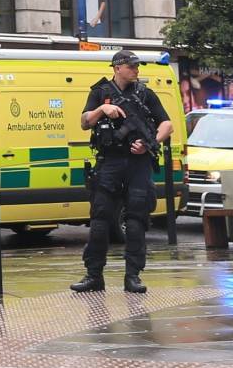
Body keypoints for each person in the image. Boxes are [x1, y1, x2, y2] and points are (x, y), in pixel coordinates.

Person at [73, 50, 173, 294]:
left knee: (136, 221)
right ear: (117, 68)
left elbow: (167, 124)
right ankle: (93, 275)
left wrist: (149, 144)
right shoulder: (100, 92)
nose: (136, 70)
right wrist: (102, 111)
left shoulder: (145, 94)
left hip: (138, 164)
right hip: (110, 162)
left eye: (137, 66)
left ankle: (133, 276)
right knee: (99, 221)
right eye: (131, 66)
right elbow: (85, 121)